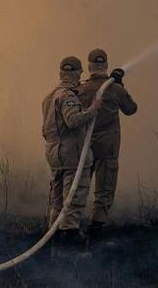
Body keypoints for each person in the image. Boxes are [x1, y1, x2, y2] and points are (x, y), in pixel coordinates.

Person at [42, 56, 103, 242]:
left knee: (57, 202)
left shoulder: (49, 96)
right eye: (79, 73)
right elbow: (73, 121)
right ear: (77, 73)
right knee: (73, 199)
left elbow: (45, 129)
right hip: (73, 157)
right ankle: (68, 246)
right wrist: (93, 109)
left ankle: (53, 241)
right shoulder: (68, 96)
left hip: (55, 156)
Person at [78, 48, 138, 233]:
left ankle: (70, 226)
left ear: (89, 66)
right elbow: (131, 109)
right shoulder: (116, 89)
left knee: (79, 185)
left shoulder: (81, 89)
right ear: (106, 65)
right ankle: (96, 228)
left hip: (84, 148)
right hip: (108, 147)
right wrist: (120, 85)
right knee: (105, 188)